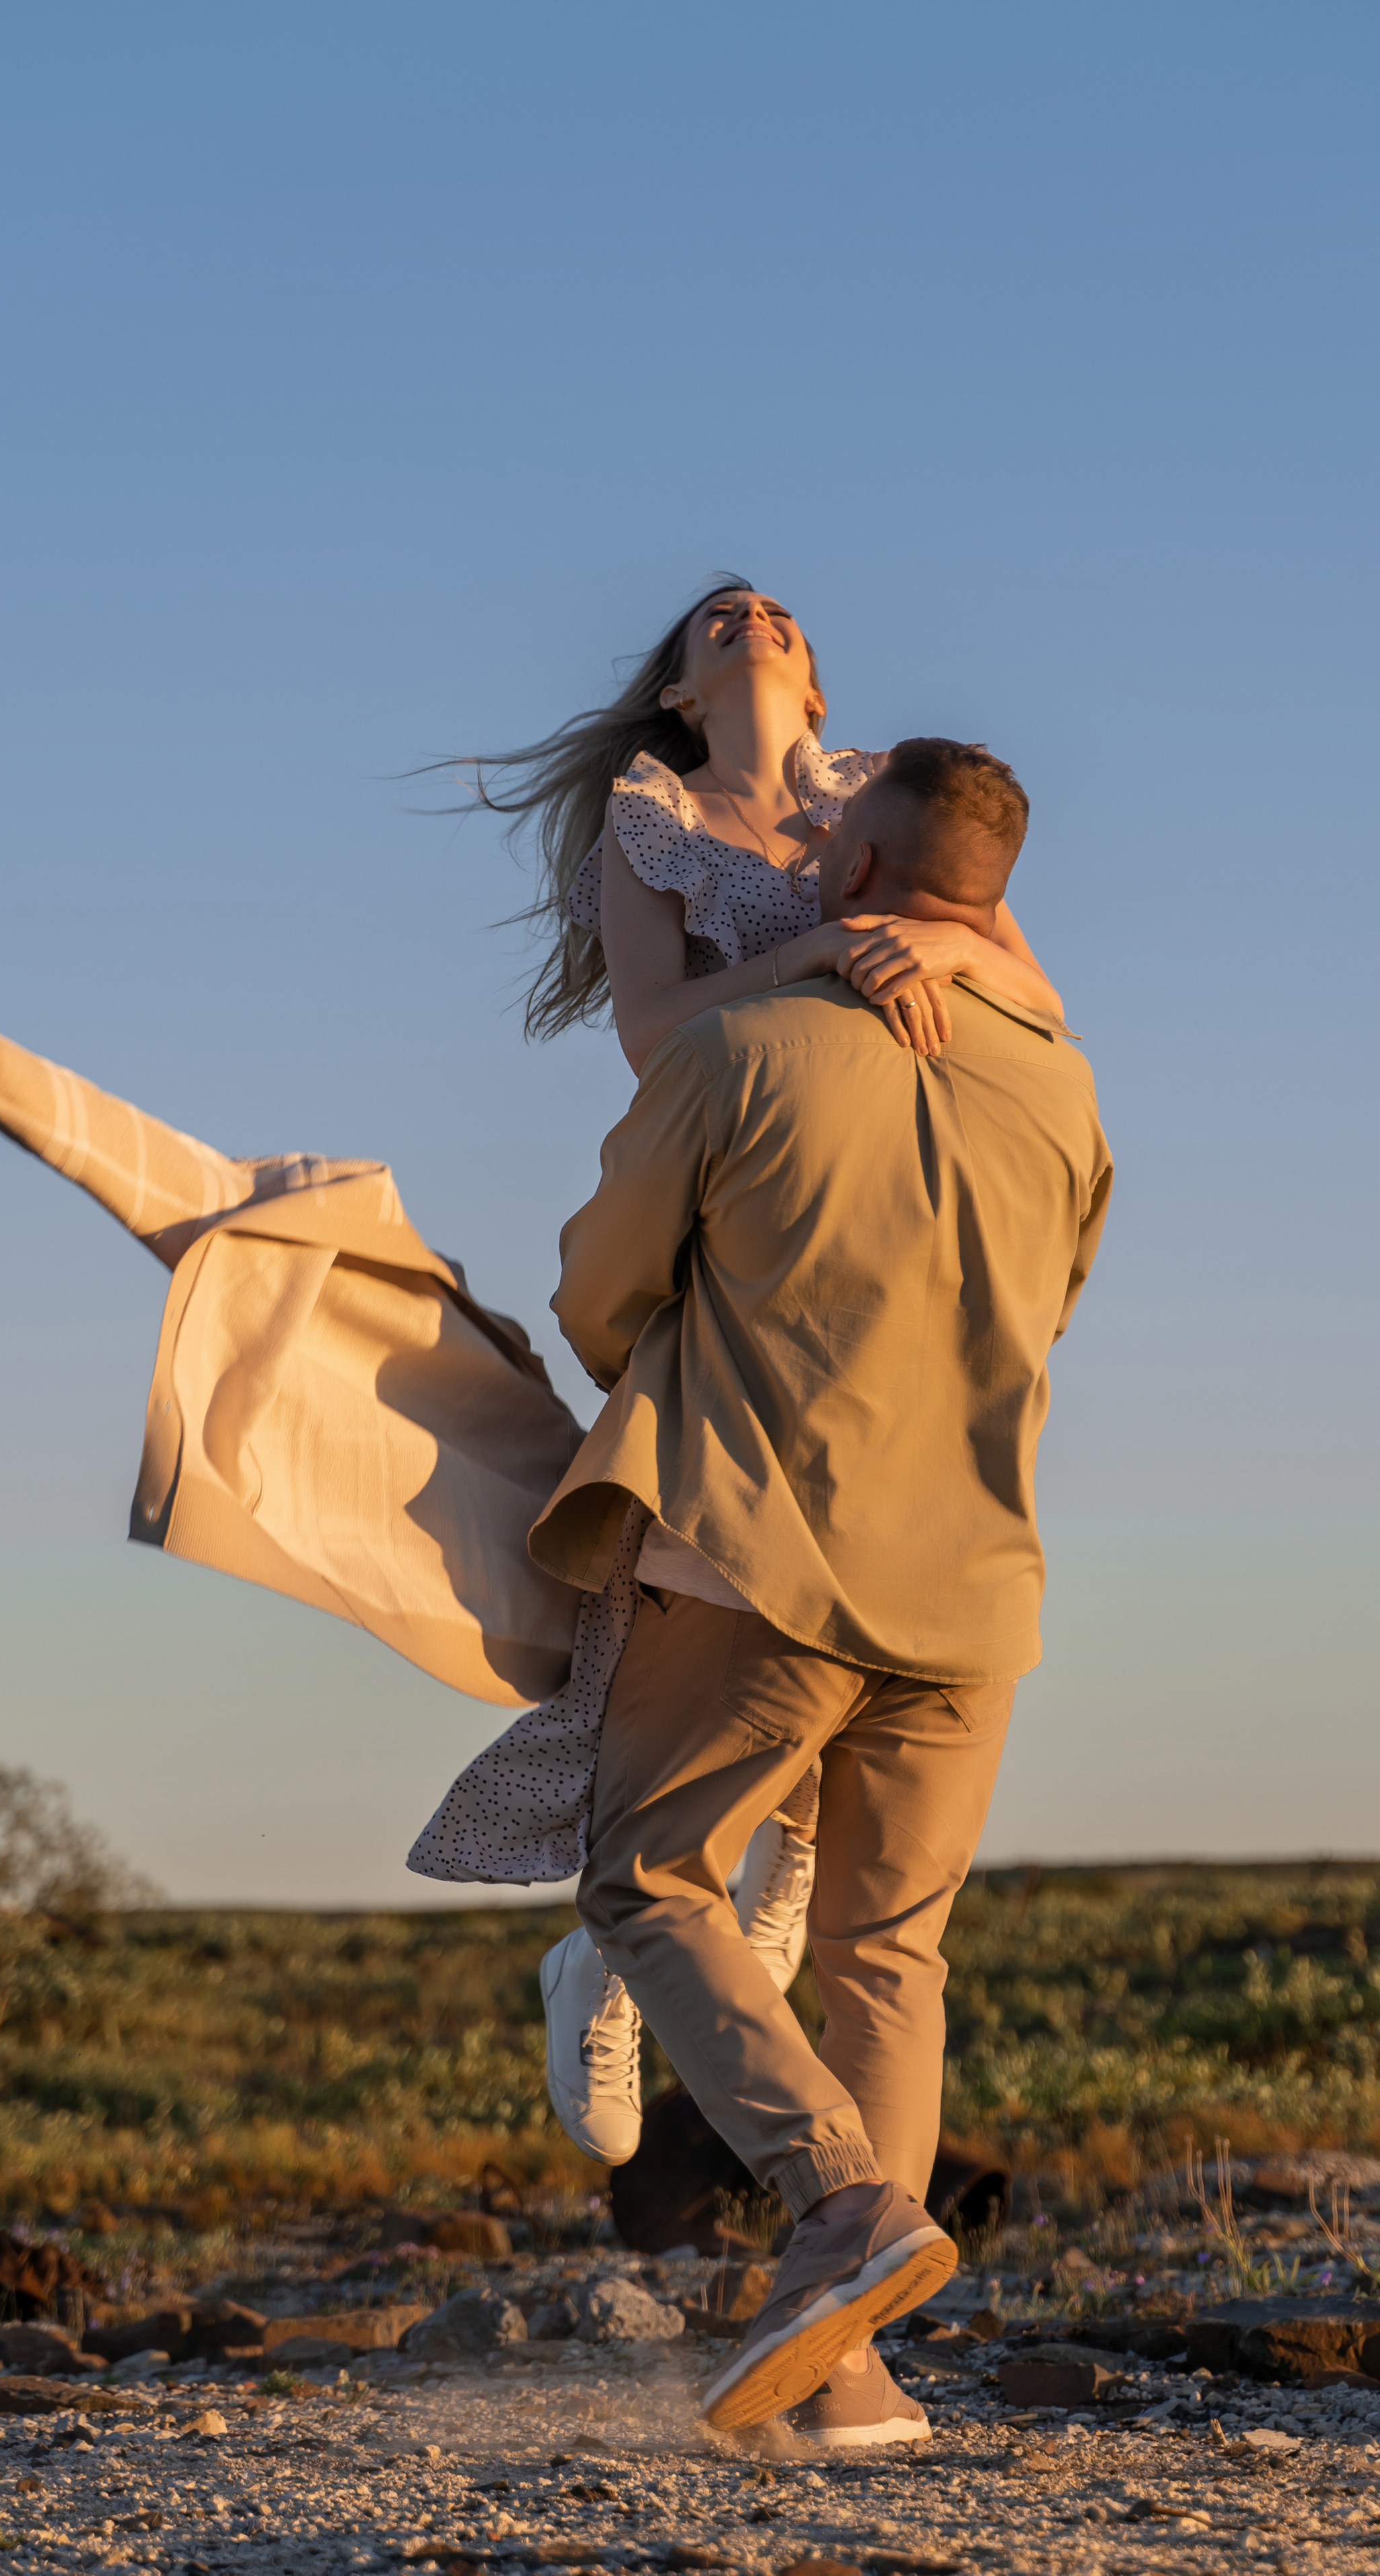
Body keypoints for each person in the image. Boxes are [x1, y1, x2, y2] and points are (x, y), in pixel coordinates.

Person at [407, 581, 1066, 2172]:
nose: (751, 617)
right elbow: (653, 1036)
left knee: (870, 1615)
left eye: (775, 612)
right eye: (716, 620)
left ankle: (730, 1977)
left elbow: (1032, 1003)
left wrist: (920, 939)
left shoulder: (885, 803)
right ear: (682, 696)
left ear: (819, 686)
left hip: (897, 1243)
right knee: (718, 1625)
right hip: (747, 1205)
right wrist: (840, 954)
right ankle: (619, 1956)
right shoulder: (653, 824)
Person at [527, 737, 1111, 2438]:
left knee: (646, 1879)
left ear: (848, 874)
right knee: (885, 1956)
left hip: (758, 1563)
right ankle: (847, 2373)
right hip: (977, 1588)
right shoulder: (1064, 1088)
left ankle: (841, 2212)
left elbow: (596, 1292)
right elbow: (1050, 1298)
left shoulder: (736, 1044)